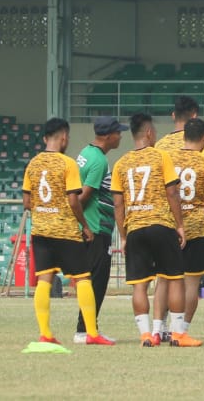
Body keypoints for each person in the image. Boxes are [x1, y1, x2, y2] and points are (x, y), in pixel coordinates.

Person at [20, 118, 112, 348]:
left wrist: (44, 212)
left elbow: (26, 201)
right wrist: (86, 226)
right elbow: (74, 200)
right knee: (82, 278)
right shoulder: (67, 164)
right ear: (64, 138)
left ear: (44, 138)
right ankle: (91, 332)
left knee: (44, 279)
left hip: (41, 230)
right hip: (65, 230)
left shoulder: (32, 164)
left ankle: (45, 334)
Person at [110, 112, 194, 346]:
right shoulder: (161, 157)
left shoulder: (121, 163)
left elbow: (118, 203)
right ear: (149, 132)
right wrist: (179, 225)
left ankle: (146, 334)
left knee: (140, 284)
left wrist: (124, 236)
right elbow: (172, 192)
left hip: (136, 228)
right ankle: (178, 335)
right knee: (175, 279)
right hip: (161, 225)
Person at [156, 117, 204, 343]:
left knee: (164, 279)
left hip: (170, 226)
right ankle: (181, 330)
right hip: (196, 227)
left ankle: (157, 330)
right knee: (191, 282)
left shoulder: (166, 159)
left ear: (183, 136)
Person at [71, 115, 124, 344]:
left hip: (90, 226)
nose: (120, 136)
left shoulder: (85, 153)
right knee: (97, 282)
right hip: (95, 228)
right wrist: (84, 225)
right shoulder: (99, 161)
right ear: (108, 136)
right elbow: (82, 196)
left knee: (90, 280)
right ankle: (86, 330)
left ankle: (87, 328)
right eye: (117, 132)